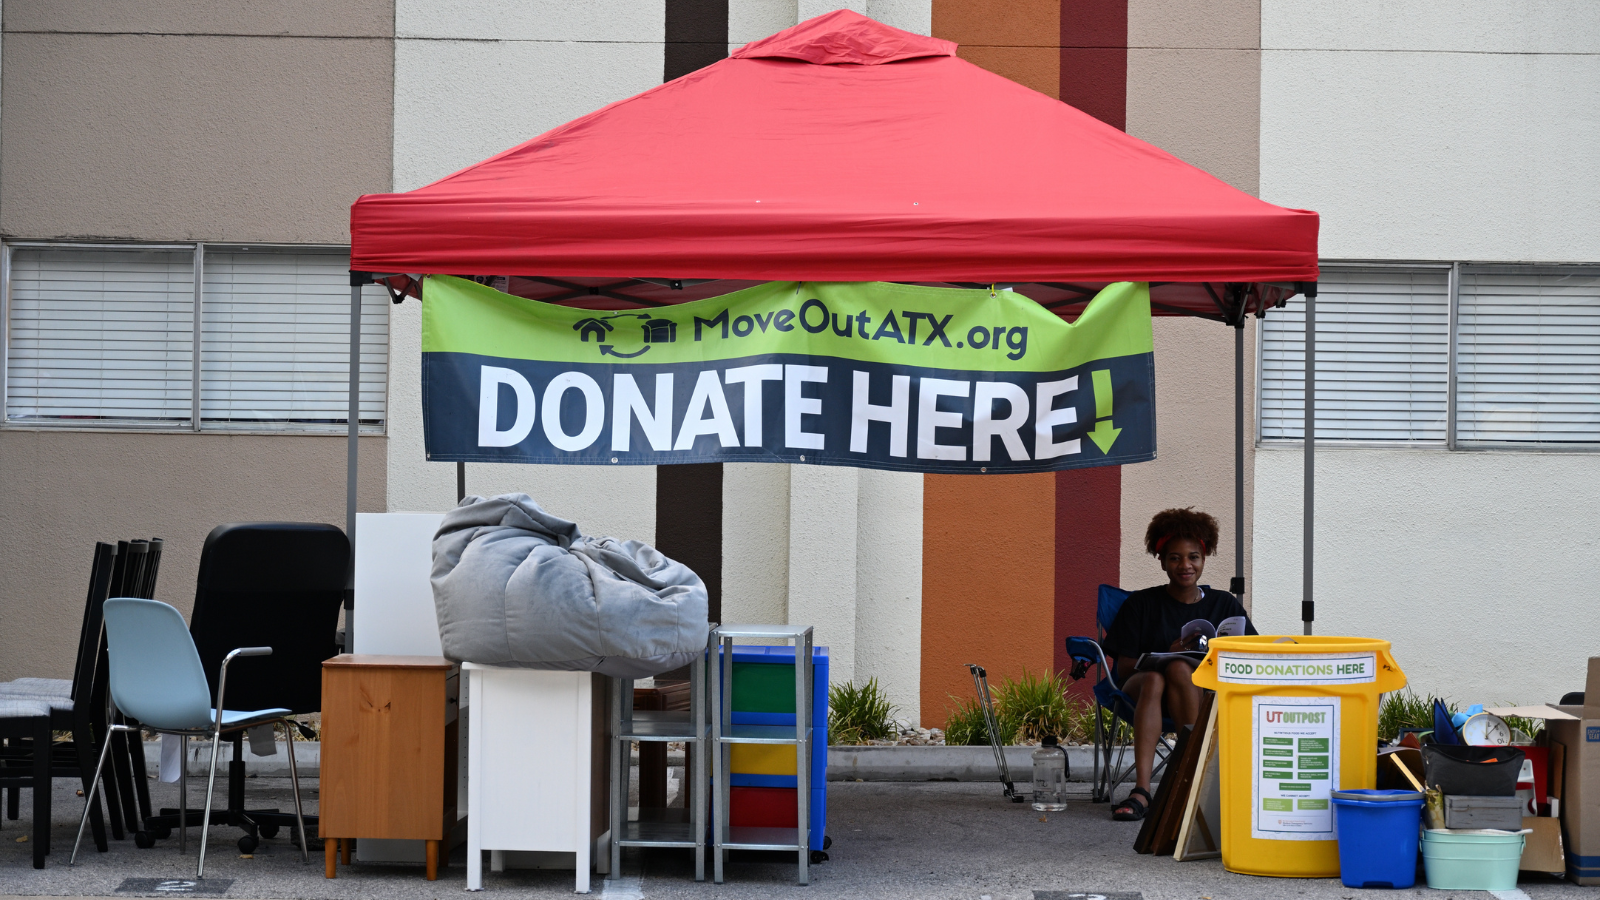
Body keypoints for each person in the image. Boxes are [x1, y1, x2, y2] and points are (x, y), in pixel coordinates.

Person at [1101, 507, 1256, 821]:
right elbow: (1124, 668)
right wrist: (1166, 653)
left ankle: (1185, 783)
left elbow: (1249, 654)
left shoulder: (1224, 603)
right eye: (1175, 558)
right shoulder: (1141, 604)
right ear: (1162, 561)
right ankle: (1145, 789)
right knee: (1164, 675)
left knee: (1180, 669)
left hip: (1204, 693)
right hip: (1143, 692)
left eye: (1193, 557)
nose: (1185, 565)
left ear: (1204, 558)